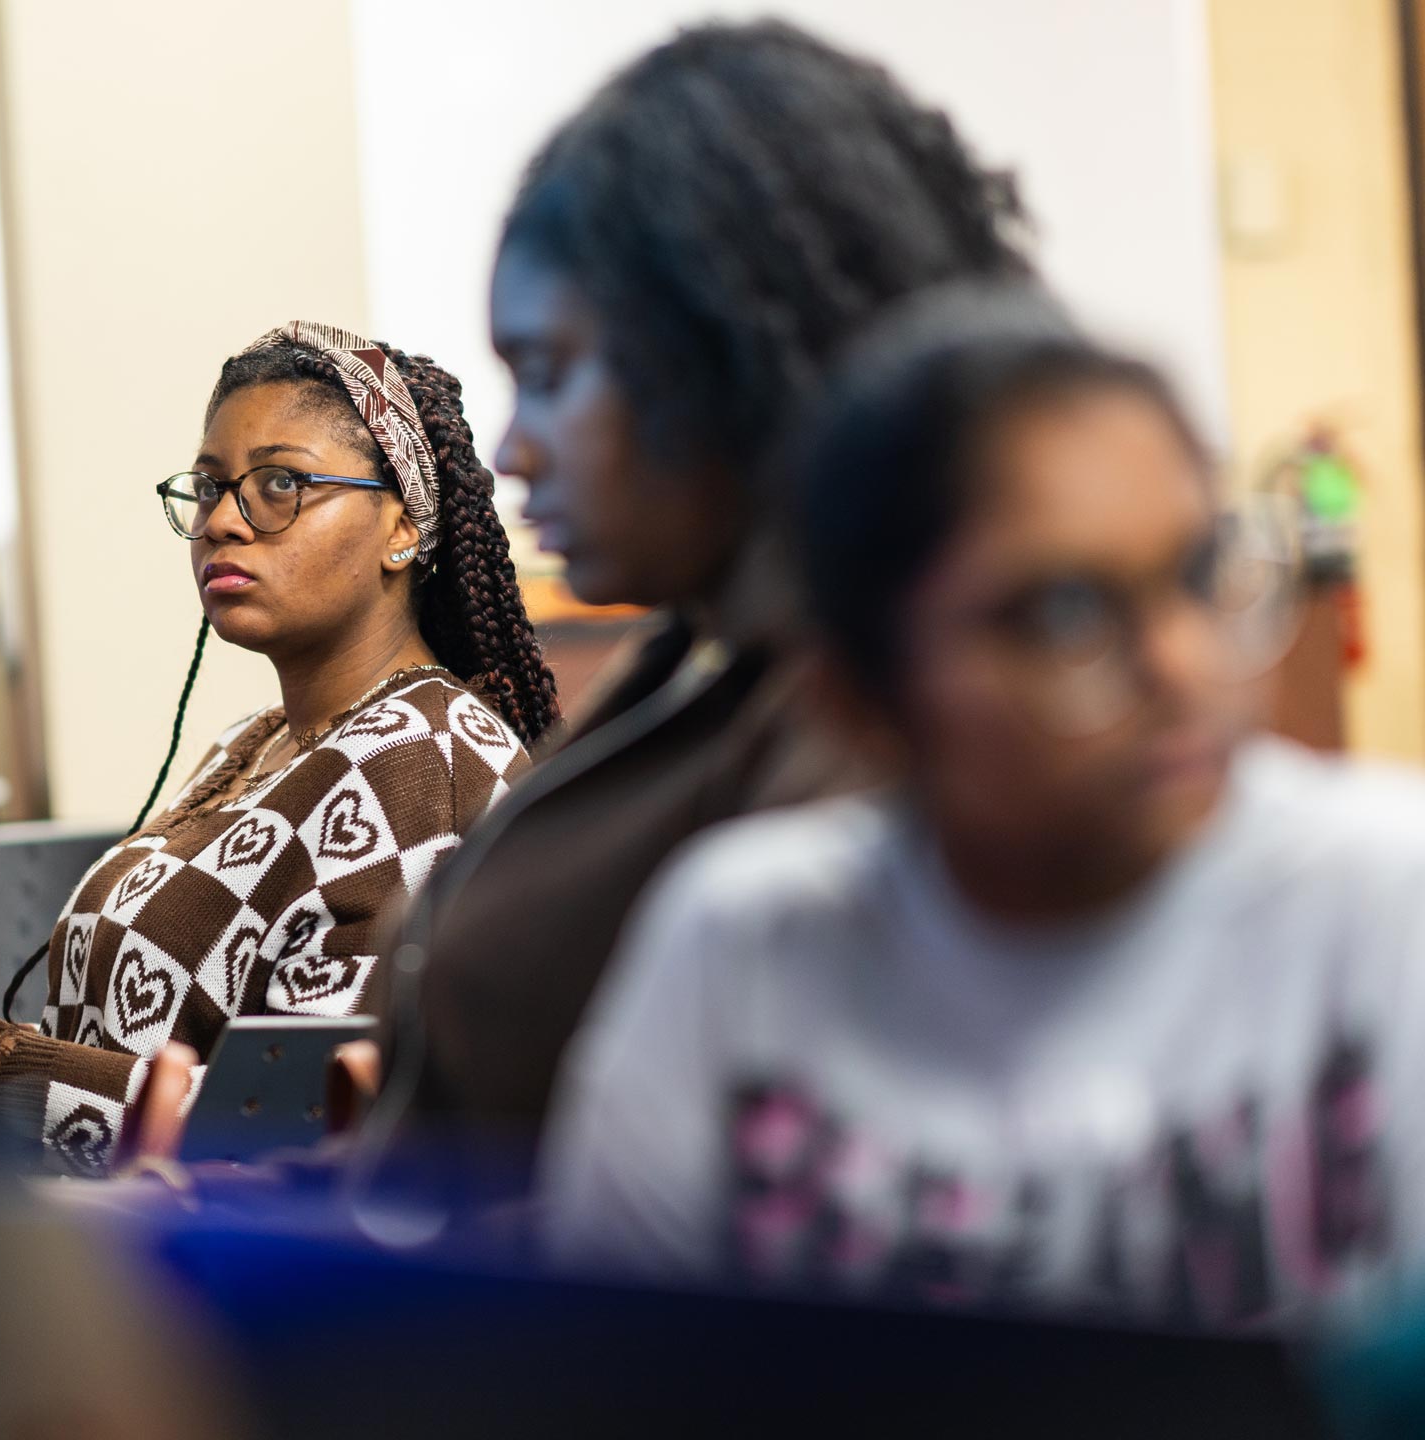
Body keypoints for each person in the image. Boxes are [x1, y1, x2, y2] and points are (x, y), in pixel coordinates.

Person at [540, 286, 1425, 1331]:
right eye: (1062, 613)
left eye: (1198, 575)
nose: (1182, 667)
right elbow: (610, 1387)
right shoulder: (742, 950)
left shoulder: (1383, 903)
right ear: (860, 700)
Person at [356, 19, 1034, 1204]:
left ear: (717, 351)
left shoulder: (862, 724)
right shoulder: (700, 654)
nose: (512, 449)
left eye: (553, 372)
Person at [0, 321, 557, 1175]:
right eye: (209, 487)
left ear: (403, 527)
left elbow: (294, 1130)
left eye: (279, 485)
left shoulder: (423, 760)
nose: (223, 521)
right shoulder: (258, 742)